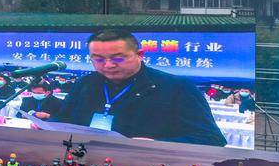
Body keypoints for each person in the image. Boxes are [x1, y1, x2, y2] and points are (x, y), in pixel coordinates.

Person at [37, 29, 227, 145]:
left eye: (118, 58)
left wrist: (158, 144)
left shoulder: (178, 88)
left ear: (140, 54)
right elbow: (67, 120)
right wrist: (50, 124)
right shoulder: (85, 84)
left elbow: (211, 139)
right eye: (99, 59)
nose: (108, 65)